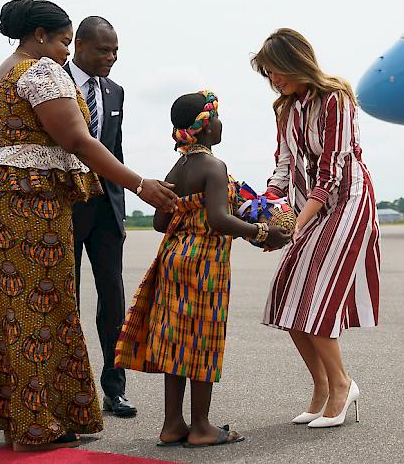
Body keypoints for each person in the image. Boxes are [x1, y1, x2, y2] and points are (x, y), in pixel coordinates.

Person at [0, 0, 176, 451]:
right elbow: (78, 140)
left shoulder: (6, 70)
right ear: (41, 36)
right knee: (41, 307)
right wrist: (140, 184)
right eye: (63, 41)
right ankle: (38, 422)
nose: (64, 51)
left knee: (17, 306)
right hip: (30, 201)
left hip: (6, 194)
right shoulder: (40, 70)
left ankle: (24, 414)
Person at [115, 91, 291, 447]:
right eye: (219, 117)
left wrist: (188, 218)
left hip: (173, 258)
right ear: (207, 125)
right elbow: (218, 218)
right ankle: (202, 427)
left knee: (176, 342)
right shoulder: (214, 167)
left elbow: (160, 223)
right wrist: (262, 231)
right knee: (202, 343)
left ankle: (172, 424)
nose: (222, 123)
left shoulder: (176, 169)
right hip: (205, 263)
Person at [251, 28, 381, 428]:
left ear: (296, 61)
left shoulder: (335, 100)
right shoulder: (284, 109)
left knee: (313, 299)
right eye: (268, 74)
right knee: (285, 299)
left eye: (276, 70)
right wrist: (263, 208)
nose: (274, 80)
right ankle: (322, 387)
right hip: (310, 206)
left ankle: (342, 384)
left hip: (346, 202)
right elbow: (284, 166)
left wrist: (295, 225)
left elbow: (330, 173)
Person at [63, 16, 135, 418]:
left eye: (115, 50)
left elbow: (115, 153)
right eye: (103, 50)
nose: (111, 57)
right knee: (66, 299)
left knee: (113, 299)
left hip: (105, 209)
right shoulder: (51, 78)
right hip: (65, 206)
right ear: (78, 47)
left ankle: (115, 389)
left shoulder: (115, 91)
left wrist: (120, 212)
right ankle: (73, 390)